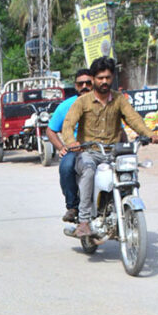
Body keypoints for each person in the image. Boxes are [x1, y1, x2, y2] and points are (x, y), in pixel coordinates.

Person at [62, 57, 158, 238]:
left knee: (130, 170)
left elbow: (134, 119)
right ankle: (84, 221)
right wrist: (71, 142)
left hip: (115, 151)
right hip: (90, 152)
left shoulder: (119, 100)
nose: (104, 81)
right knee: (89, 170)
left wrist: (149, 133)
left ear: (113, 77)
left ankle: (124, 207)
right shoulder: (82, 102)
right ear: (93, 79)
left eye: (108, 77)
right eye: (100, 78)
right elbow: (67, 125)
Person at [45, 68, 92, 222]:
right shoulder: (67, 106)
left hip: (100, 148)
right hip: (75, 149)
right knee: (66, 167)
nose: (85, 86)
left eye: (88, 82)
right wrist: (61, 147)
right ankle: (72, 206)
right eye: (81, 83)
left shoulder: (103, 103)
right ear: (76, 86)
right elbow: (51, 130)